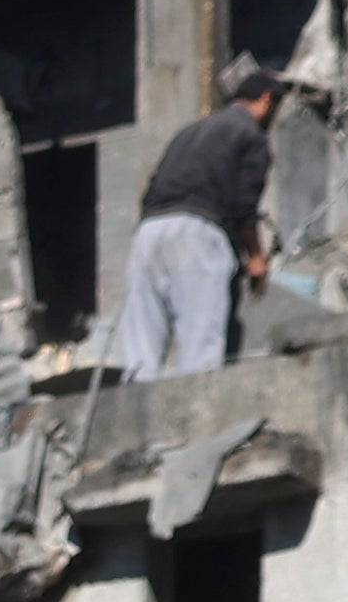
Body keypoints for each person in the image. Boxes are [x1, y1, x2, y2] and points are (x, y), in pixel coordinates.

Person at [114, 57, 284, 381]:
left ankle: (135, 413)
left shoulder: (191, 130)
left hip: (149, 232)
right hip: (198, 233)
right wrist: (257, 257)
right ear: (266, 100)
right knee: (200, 340)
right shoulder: (250, 136)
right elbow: (244, 205)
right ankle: (197, 419)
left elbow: (152, 184)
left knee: (142, 343)